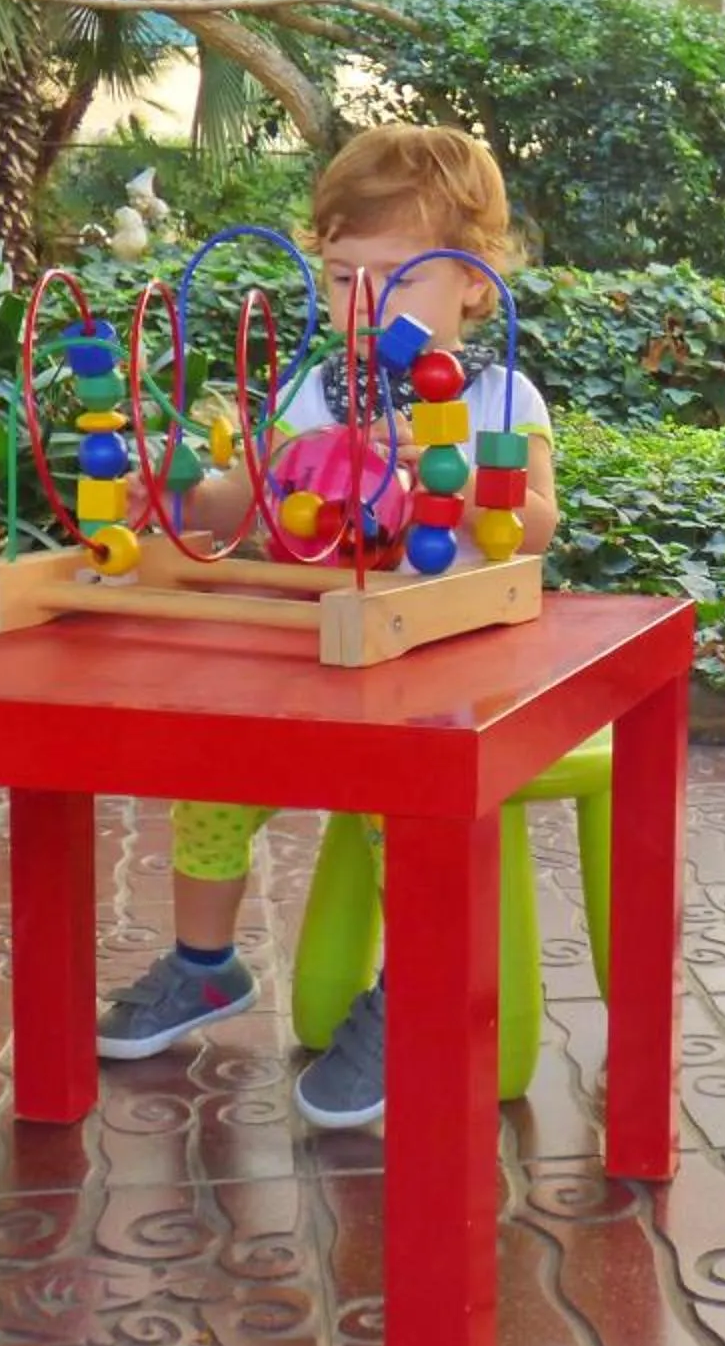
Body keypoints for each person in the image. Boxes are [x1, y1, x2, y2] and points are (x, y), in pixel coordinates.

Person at [89, 125, 559, 1127]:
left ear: (474, 284)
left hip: (443, 666)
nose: (365, 305)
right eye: (345, 277)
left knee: (407, 802)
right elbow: (253, 501)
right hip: (315, 658)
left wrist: (450, 471)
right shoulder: (315, 390)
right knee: (213, 772)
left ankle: (414, 988)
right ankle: (206, 964)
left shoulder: (497, 395)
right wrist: (176, 495)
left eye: (399, 278)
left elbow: (537, 526)